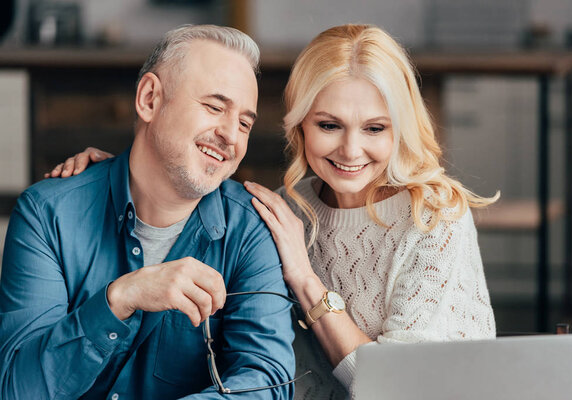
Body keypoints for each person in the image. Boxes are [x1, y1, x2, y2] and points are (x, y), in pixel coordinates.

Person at [48, 24, 499, 399]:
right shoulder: (289, 210)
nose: (351, 149)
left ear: (399, 130)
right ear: (300, 124)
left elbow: (399, 390)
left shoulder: (434, 218)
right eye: (328, 125)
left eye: (375, 128)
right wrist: (116, 175)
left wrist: (305, 279)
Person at [0, 25, 297, 399]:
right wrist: (120, 298)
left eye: (244, 123)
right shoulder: (47, 215)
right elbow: (16, 389)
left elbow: (265, 382)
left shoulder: (251, 229)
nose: (231, 136)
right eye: (214, 107)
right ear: (150, 99)